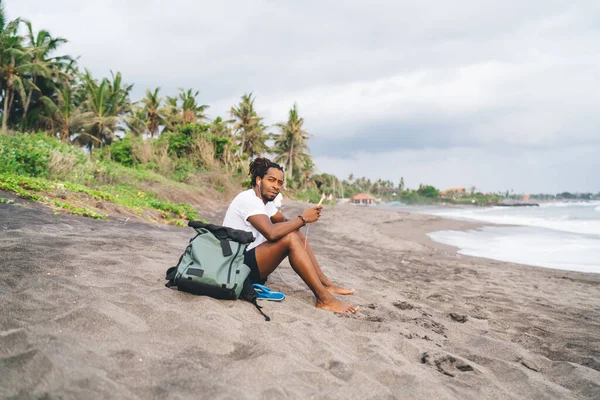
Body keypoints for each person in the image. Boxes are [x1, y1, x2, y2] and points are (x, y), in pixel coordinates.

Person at [223, 157, 359, 314]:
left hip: (247, 264)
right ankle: (324, 299)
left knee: (293, 232)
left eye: (279, 183)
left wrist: (303, 218)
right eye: (271, 180)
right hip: (235, 267)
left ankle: (326, 285)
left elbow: (285, 222)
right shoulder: (248, 199)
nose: (276, 186)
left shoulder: (265, 204)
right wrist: (303, 219)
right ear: (259, 180)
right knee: (291, 237)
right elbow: (272, 233)